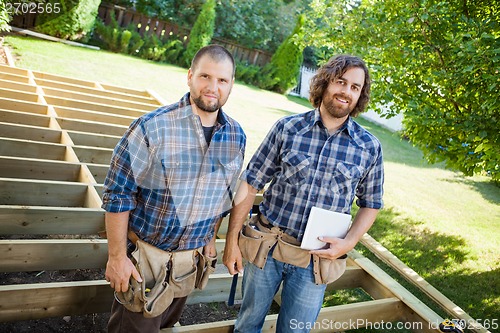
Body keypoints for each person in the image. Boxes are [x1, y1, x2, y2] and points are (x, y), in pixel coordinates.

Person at [223, 54, 384, 333]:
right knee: (247, 324)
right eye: (341, 81)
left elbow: (371, 204)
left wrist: (348, 243)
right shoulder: (288, 129)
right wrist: (232, 240)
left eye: (355, 87)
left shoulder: (369, 146)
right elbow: (250, 183)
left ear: (360, 95)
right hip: (267, 248)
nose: (346, 91)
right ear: (325, 83)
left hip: (315, 260)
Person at [102, 44, 246, 332]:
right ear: (190, 76)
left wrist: (209, 240)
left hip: (188, 265)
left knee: (167, 325)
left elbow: (222, 195)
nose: (212, 87)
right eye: (205, 77)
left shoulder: (235, 136)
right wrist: (117, 257)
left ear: (231, 85)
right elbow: (118, 194)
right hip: (146, 261)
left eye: (222, 80)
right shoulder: (152, 127)